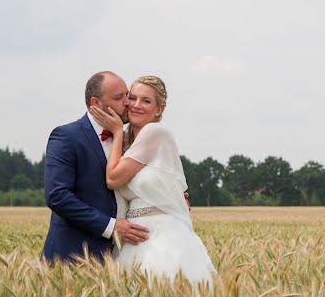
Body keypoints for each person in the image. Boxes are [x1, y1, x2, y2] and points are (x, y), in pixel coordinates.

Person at [89, 75, 216, 285]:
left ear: (159, 110)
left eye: (146, 101)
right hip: (132, 236)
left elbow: (112, 179)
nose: (136, 105)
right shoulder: (129, 142)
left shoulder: (155, 132)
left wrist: (118, 131)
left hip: (162, 237)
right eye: (133, 98)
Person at [42, 71, 149, 263]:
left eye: (127, 95)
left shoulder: (130, 141)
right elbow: (57, 196)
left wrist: (166, 197)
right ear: (96, 103)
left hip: (122, 257)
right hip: (71, 257)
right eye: (119, 97)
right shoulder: (66, 136)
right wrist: (111, 227)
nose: (128, 102)